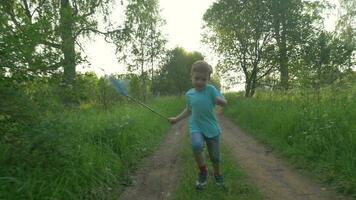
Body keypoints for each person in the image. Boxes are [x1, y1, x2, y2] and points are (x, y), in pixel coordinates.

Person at [168, 60, 227, 189]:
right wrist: (176, 119)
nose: (199, 82)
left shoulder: (211, 90)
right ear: (191, 77)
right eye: (197, 78)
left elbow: (224, 102)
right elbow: (189, 110)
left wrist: (218, 101)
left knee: (215, 157)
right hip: (196, 126)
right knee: (196, 145)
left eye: (203, 79)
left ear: (208, 79)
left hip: (211, 127)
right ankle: (203, 171)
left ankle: (217, 173)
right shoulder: (189, 94)